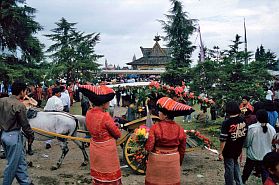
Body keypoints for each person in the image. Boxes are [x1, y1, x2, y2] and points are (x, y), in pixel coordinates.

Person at [79, 84, 122, 185]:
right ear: (103, 103)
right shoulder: (105, 116)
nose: (109, 103)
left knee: (98, 175)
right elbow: (117, 134)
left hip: (95, 146)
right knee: (110, 176)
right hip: (107, 149)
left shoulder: (89, 113)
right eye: (108, 101)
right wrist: (117, 128)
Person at [145, 97, 194, 185]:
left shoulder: (155, 127)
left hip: (157, 161)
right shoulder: (180, 129)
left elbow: (149, 147)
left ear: (165, 115)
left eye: (160, 112)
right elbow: (182, 149)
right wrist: (179, 162)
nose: (159, 113)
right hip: (173, 161)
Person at [0, 81, 35, 185]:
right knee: (12, 165)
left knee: (20, 161)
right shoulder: (20, 105)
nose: (26, 93)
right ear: (22, 91)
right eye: (25, 91)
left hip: (4, 135)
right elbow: (25, 125)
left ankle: (25, 182)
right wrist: (31, 136)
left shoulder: (1, 101)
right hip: (14, 137)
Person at [242, 109, 276, 184]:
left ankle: (242, 182)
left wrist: (245, 146)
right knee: (265, 174)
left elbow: (247, 142)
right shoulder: (272, 129)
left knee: (247, 171)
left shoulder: (252, 128)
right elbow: (273, 143)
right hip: (265, 155)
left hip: (253, 155)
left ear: (257, 117)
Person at [219, 101, 248, 185]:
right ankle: (239, 183)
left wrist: (220, 152)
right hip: (238, 148)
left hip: (228, 149)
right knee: (235, 165)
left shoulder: (226, 122)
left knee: (229, 169)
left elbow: (223, 139)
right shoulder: (243, 121)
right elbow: (245, 135)